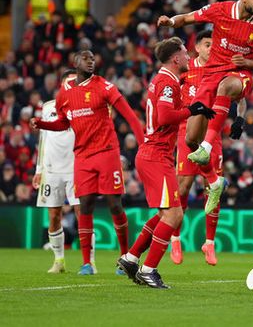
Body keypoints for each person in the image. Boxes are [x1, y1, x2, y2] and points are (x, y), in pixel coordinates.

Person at [30, 50, 145, 275]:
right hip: (82, 156)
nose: (91, 61)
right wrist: (42, 124)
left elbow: (130, 116)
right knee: (85, 206)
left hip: (107, 152)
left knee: (114, 204)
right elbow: (63, 123)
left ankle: (126, 258)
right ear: (75, 63)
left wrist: (143, 144)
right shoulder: (65, 94)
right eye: (86, 58)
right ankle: (86, 264)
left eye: (93, 58)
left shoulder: (104, 86)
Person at [117, 37, 214, 289]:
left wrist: (196, 107)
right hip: (156, 156)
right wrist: (192, 111)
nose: (189, 56)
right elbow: (164, 116)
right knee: (175, 214)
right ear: (175, 58)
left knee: (164, 214)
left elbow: (170, 110)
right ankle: (148, 270)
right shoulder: (168, 82)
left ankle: (131, 258)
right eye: (185, 53)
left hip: (154, 154)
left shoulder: (165, 80)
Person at [156, 0, 253, 178]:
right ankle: (214, 180)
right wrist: (171, 22)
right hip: (212, 74)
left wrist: (246, 62)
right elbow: (187, 17)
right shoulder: (221, 10)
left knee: (226, 86)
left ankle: (207, 146)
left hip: (240, 74)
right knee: (191, 139)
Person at [170, 30, 246, 265]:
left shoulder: (224, 68)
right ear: (197, 48)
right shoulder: (185, 69)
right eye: (206, 44)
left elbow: (240, 96)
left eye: (214, 44)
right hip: (186, 131)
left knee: (212, 188)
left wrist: (240, 118)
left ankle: (209, 243)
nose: (211, 48)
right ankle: (175, 239)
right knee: (183, 187)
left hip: (213, 134)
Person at [33, 69, 87, 273]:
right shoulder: (48, 107)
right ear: (62, 85)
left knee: (82, 214)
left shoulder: (84, 107)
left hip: (76, 168)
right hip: (51, 169)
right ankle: (59, 260)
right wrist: (39, 169)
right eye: (68, 82)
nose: (71, 85)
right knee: (54, 215)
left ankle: (88, 262)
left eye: (75, 82)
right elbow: (43, 138)